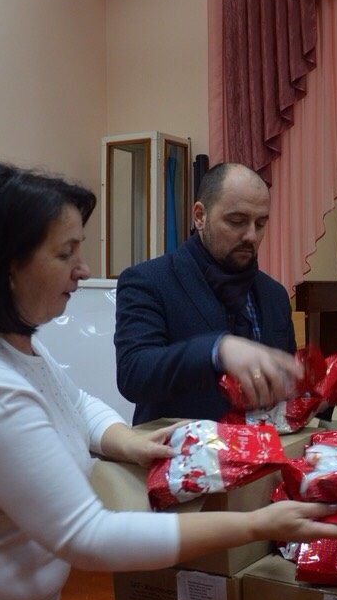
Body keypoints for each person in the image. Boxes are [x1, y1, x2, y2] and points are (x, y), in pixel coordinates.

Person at [0, 163, 337, 600]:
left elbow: (73, 402)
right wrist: (258, 524)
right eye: (65, 253)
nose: (84, 270)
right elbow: (89, 537)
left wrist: (127, 441)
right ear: (6, 265)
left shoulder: (3, 339)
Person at [115, 162, 300, 425]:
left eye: (260, 224)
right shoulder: (149, 281)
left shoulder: (274, 295)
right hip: (182, 448)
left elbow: (285, 388)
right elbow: (134, 374)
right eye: (237, 221)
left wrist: (316, 393)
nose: (251, 236)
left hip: (266, 446)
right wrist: (217, 349)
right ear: (200, 216)